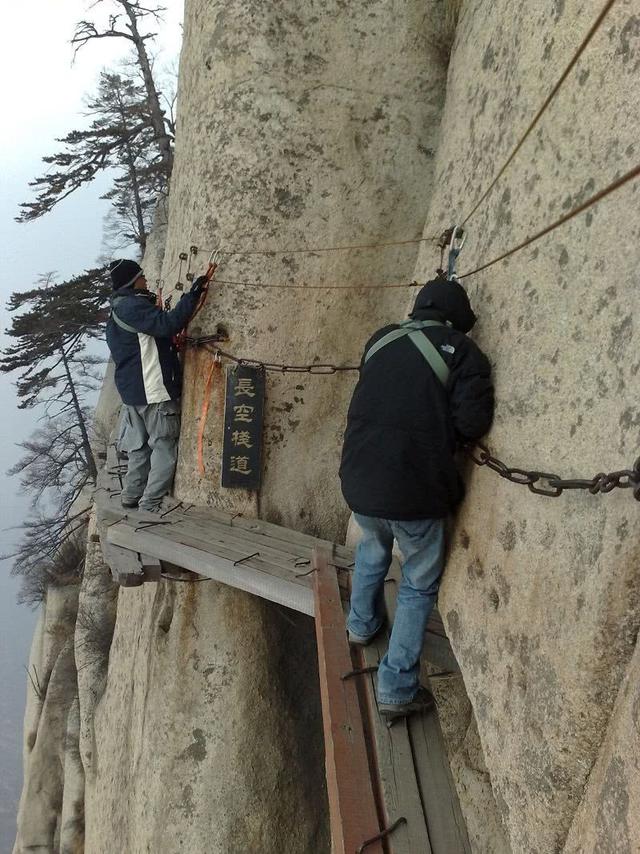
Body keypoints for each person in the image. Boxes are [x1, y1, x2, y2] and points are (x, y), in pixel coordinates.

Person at [339, 277, 494, 720]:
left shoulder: (380, 339)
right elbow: (472, 422)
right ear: (456, 319)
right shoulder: (462, 352)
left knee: (372, 548)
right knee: (418, 584)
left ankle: (361, 625)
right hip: (415, 490)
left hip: (359, 478)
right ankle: (396, 687)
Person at [105, 259, 208, 512]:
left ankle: (130, 497)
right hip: (153, 391)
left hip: (131, 395)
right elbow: (168, 324)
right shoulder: (133, 306)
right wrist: (192, 295)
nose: (146, 280)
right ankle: (149, 505)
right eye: (142, 276)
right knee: (163, 445)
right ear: (132, 281)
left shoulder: (116, 310)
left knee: (139, 449)